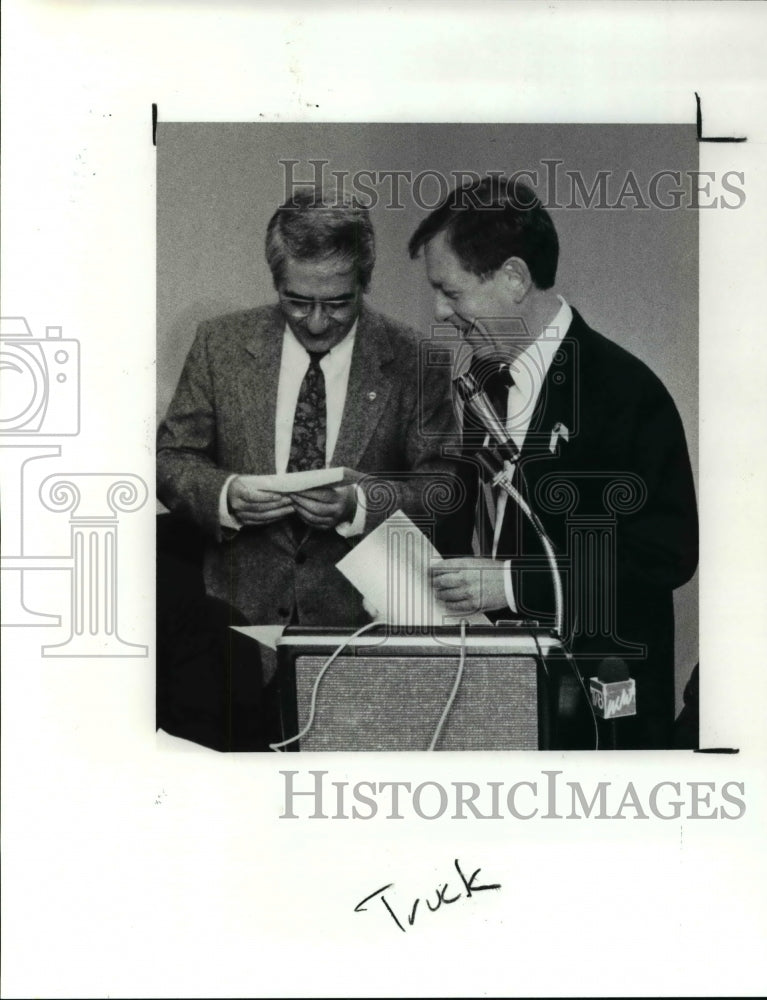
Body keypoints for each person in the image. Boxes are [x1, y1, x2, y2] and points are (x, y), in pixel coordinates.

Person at [156, 186, 463, 748]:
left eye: (338, 304)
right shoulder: (220, 345)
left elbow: (446, 487)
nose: (317, 323)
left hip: (357, 636)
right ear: (276, 281)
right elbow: (173, 457)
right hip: (228, 631)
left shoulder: (417, 360)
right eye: (297, 302)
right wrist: (223, 494)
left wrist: (362, 502)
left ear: (364, 284)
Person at [408, 175, 698, 749]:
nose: (440, 312)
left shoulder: (626, 392)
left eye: (452, 292)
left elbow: (664, 555)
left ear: (514, 278)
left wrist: (515, 584)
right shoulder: (484, 388)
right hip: (498, 700)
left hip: (601, 715)